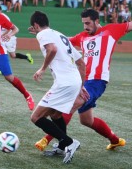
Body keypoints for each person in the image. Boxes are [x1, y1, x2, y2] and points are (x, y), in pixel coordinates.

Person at [34, 0, 132, 154]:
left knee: (70, 105)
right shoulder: (82, 36)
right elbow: (63, 39)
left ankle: (52, 140)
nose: (85, 26)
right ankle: (115, 140)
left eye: (87, 23)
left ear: (97, 21)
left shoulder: (111, 30)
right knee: (87, 120)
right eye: (83, 23)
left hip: (97, 81)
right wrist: (43, 34)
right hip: (82, 80)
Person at [28, 10, 88, 164]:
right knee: (55, 115)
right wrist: (80, 86)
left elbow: (52, 49)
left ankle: (69, 142)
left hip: (64, 82)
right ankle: (62, 147)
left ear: (35, 25)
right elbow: (81, 63)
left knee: (36, 117)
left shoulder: (42, 35)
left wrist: (42, 68)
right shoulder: (60, 35)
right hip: (73, 81)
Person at [0, 4, 34, 75]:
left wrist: (3, 35)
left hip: (9, 37)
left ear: (0, 10)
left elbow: (9, 28)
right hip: (2, 38)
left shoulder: (4, 17)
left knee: (13, 55)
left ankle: (27, 57)